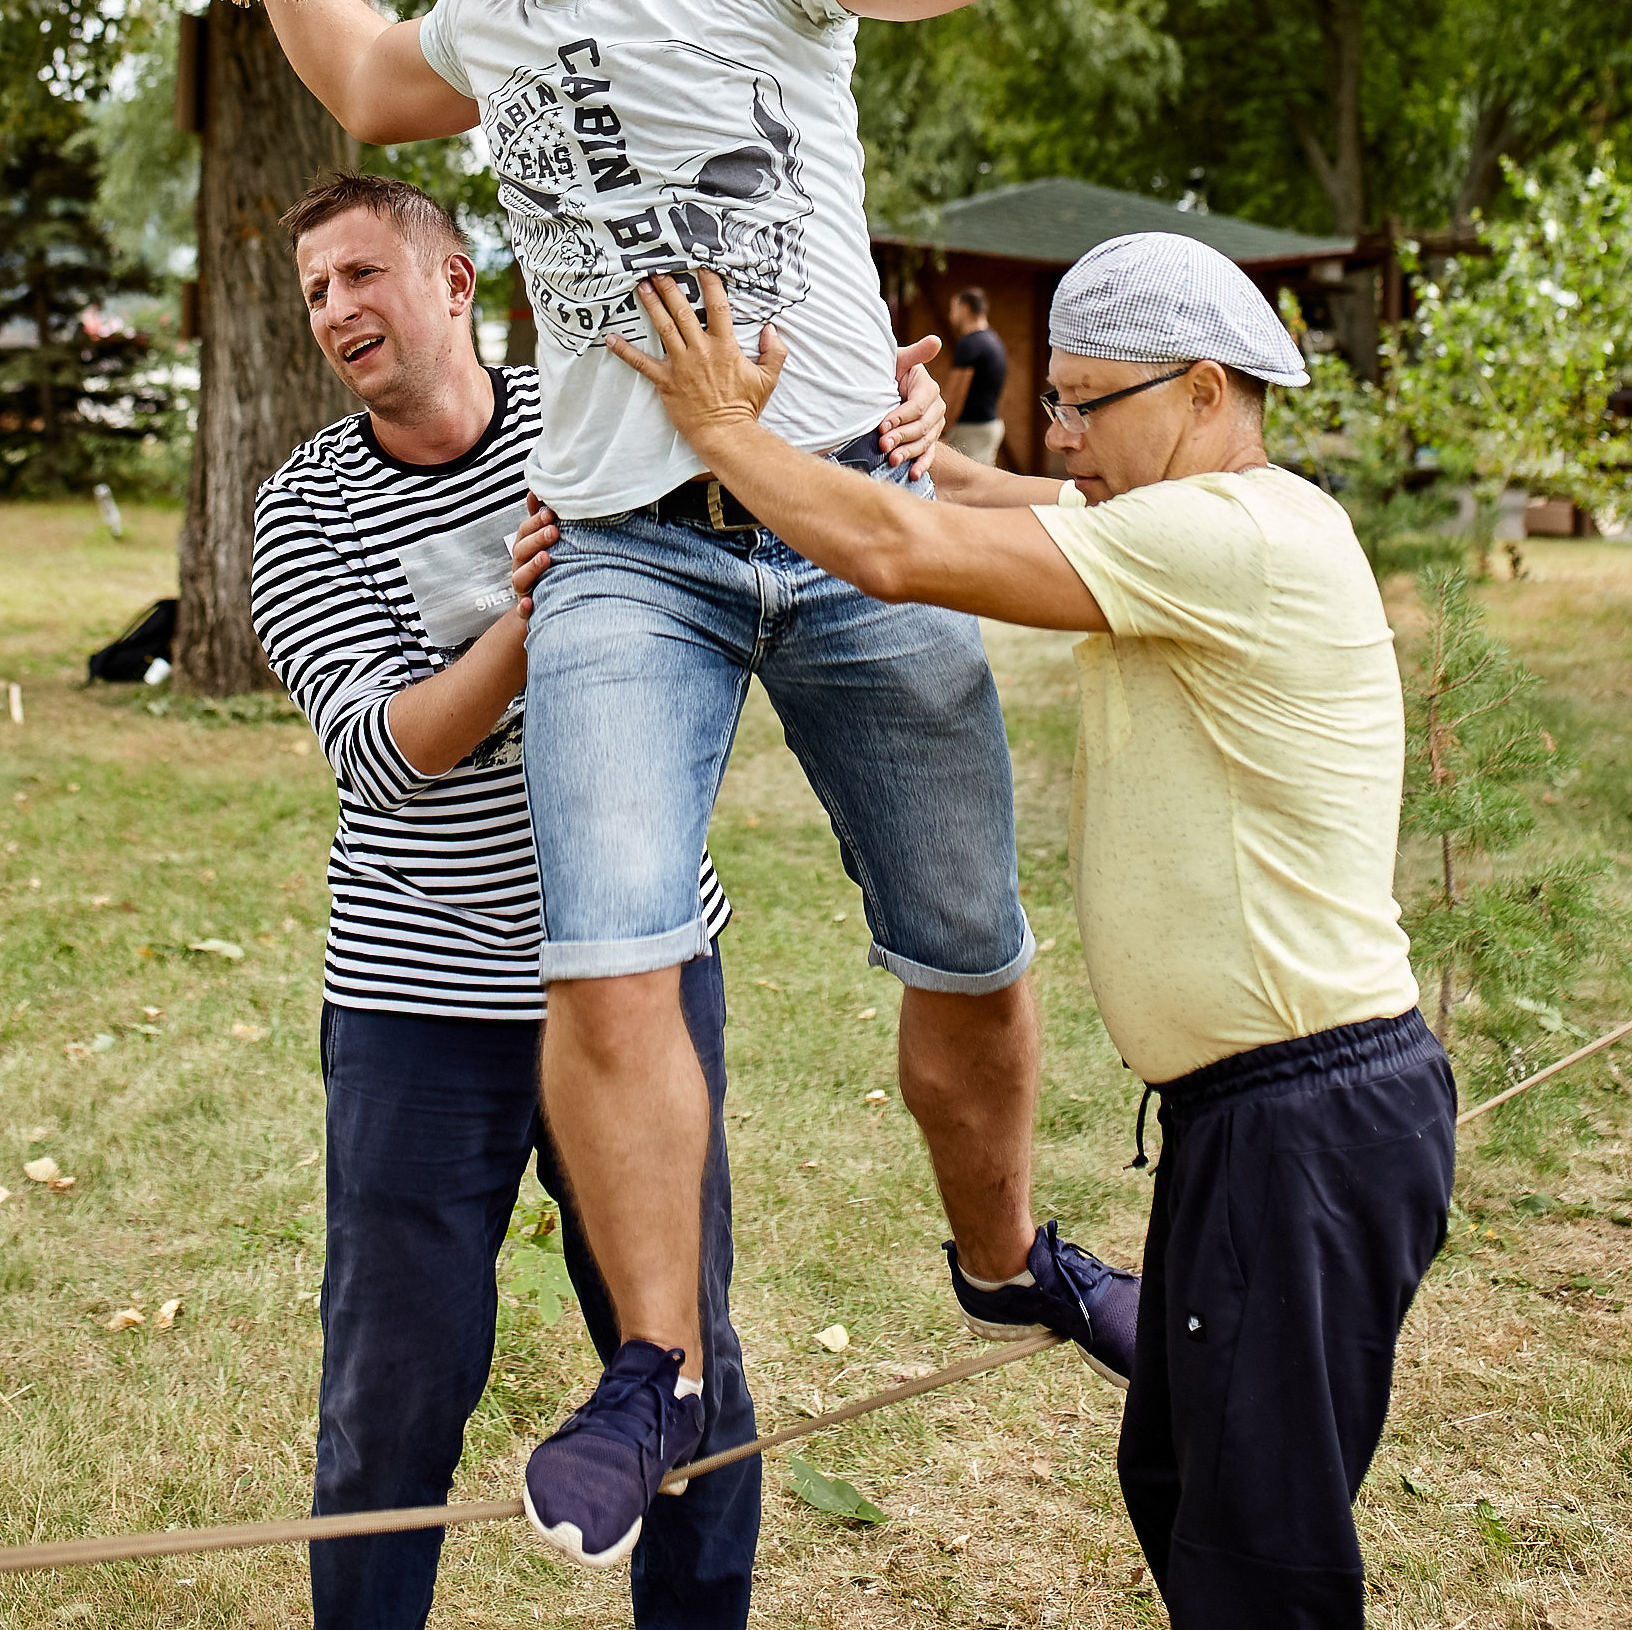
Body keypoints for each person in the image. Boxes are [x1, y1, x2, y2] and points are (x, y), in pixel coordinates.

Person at [214, 0, 1137, 1575]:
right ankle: (653, 1369)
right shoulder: (484, 15)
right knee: (607, 942)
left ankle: (1004, 1258)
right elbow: (367, 75)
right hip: (626, 549)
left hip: (836, 515)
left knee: (968, 953)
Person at [594, 235, 1454, 1630]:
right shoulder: (1207, 516)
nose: (1064, 437)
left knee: (1262, 1552)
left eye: (1088, 402)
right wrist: (906, 443)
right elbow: (1001, 494)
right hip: (1259, 1119)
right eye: (1052, 401)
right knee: (1182, 1481)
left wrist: (719, 432)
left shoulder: (1235, 536)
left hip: (1307, 1123)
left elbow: (899, 549)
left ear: (1205, 391)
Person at [251, 168, 947, 1623]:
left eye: (363, 275)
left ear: (454, 284)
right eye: (316, 291)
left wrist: (891, 438)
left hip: (630, 966)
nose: (336, 312)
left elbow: (765, 481)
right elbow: (384, 753)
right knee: (394, 1382)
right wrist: (530, 623)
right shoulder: (304, 504)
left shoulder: (583, 424)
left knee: (681, 1352)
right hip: (419, 996)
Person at [942, 285, 1009, 466]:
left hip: (971, 429)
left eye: (953, 309)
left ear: (965, 309)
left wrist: (943, 430)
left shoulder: (970, 344)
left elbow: (957, 392)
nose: (950, 315)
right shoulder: (994, 340)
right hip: (991, 424)